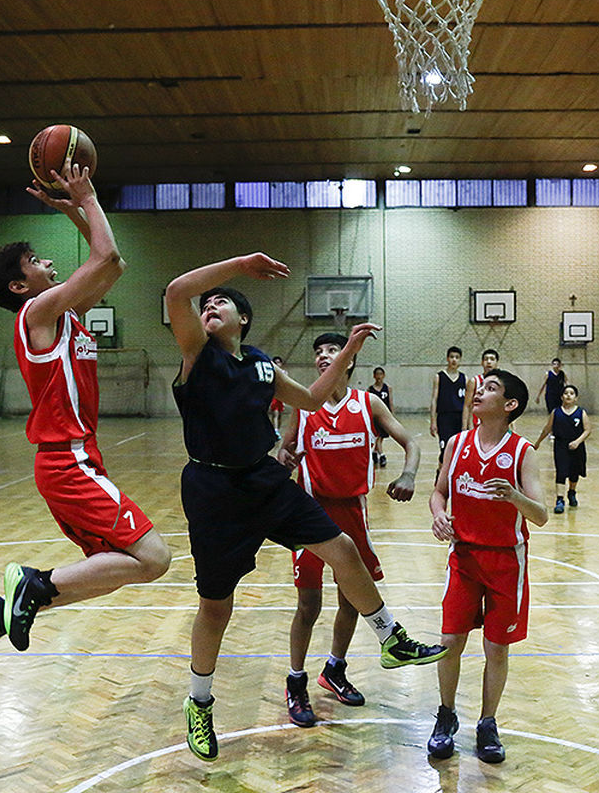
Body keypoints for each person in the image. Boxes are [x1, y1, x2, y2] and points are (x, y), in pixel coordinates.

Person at [164, 255, 447, 762]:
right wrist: (240, 267)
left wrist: (350, 351)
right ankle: (199, 702)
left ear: (243, 320)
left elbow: (314, 401)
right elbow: (177, 288)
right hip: (213, 490)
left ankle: (390, 637)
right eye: (207, 303)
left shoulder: (262, 365)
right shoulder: (197, 353)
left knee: (342, 549)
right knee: (216, 605)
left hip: (264, 479)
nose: (210, 303)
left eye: (222, 301)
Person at [0, 163, 171, 674]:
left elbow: (113, 266)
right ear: (18, 286)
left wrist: (77, 209)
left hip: (75, 460)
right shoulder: (36, 316)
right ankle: (33, 582)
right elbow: (107, 255)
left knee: (114, 571)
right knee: (155, 559)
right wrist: (88, 197)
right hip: (67, 460)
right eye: (35, 260)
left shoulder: (66, 316)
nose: (48, 262)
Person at [276, 333, 421, 726]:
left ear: (349, 361)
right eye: (318, 352)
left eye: (331, 351)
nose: (323, 357)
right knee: (308, 606)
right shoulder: (304, 405)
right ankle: (295, 681)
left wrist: (408, 474)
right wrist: (285, 457)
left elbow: (411, 442)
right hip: (310, 515)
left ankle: (335, 669)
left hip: (353, 514)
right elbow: (284, 451)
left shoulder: (368, 403)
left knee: (351, 601)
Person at [427, 369, 548, 763]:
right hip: (464, 558)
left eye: (491, 388)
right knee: (449, 643)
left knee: (496, 648)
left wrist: (514, 496)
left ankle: (487, 723)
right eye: (482, 386)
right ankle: (446, 716)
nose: (479, 391)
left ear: (509, 405)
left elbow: (542, 515)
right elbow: (439, 492)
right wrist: (438, 514)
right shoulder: (458, 443)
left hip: (505, 563)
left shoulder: (522, 452)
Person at [533, 384, 591, 514]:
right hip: (560, 446)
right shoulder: (556, 412)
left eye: (571, 393)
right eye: (566, 393)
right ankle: (560, 500)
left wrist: (577, 441)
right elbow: (547, 429)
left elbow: (587, 430)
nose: (568, 395)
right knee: (561, 472)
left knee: (574, 472)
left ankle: (572, 492)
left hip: (577, 447)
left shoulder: (581, 412)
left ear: (576, 398)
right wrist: (537, 443)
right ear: (561, 397)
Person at [430, 347, 466, 475]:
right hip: (444, 418)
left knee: (457, 449)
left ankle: (453, 477)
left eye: (457, 357)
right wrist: (433, 422)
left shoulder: (464, 378)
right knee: (444, 449)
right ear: (447, 358)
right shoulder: (439, 377)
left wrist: (466, 424)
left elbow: (467, 404)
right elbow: (434, 399)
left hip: (459, 417)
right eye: (452, 357)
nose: (454, 360)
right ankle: (440, 473)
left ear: (460, 360)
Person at [461, 349, 500, 431]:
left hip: (496, 426)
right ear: (482, 362)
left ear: (497, 362)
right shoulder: (474, 381)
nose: (489, 362)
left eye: (492, 359)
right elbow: (467, 405)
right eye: (486, 359)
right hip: (476, 426)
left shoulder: (502, 382)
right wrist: (464, 428)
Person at [367, 365, 392, 467]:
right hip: (374, 417)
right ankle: (382, 456)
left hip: (385, 416)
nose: (379, 376)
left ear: (384, 375)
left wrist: (392, 416)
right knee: (377, 436)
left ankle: (374, 453)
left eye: (381, 374)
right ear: (374, 376)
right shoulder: (370, 389)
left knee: (381, 437)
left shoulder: (388, 388)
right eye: (377, 374)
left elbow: (390, 402)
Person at [268, 355, 286, 437]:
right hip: (275, 395)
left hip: (282, 396)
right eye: (276, 362)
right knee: (275, 413)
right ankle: (275, 430)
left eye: (279, 362)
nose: (278, 364)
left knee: (280, 415)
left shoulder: (284, 373)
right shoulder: (272, 372)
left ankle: (276, 429)